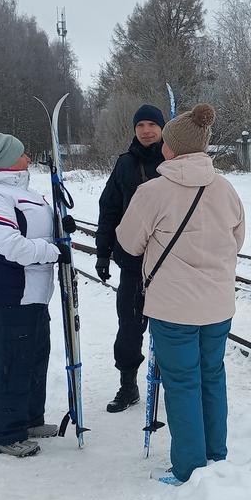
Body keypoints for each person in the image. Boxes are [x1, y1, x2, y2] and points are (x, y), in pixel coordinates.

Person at [116, 104, 245, 485]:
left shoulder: (152, 191)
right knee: (212, 376)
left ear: (171, 148)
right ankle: (215, 455)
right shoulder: (226, 188)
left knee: (182, 383)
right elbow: (237, 240)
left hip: (173, 309)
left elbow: (128, 242)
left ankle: (189, 467)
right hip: (219, 306)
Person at [0, 132, 72, 457]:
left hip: (33, 294)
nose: (28, 157)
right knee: (10, 362)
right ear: (4, 161)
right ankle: (5, 433)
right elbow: (10, 246)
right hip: (9, 293)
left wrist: (61, 225)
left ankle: (28, 418)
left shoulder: (15, 190)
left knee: (34, 356)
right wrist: (53, 251)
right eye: (22, 153)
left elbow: (35, 228)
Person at [96, 104, 166, 413]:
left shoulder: (174, 162)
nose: (147, 130)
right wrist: (103, 252)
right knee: (129, 325)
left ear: (163, 129)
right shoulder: (125, 165)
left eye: (153, 124)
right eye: (141, 125)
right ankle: (128, 385)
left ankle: (171, 381)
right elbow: (109, 208)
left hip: (169, 263)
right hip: (134, 260)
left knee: (170, 326)